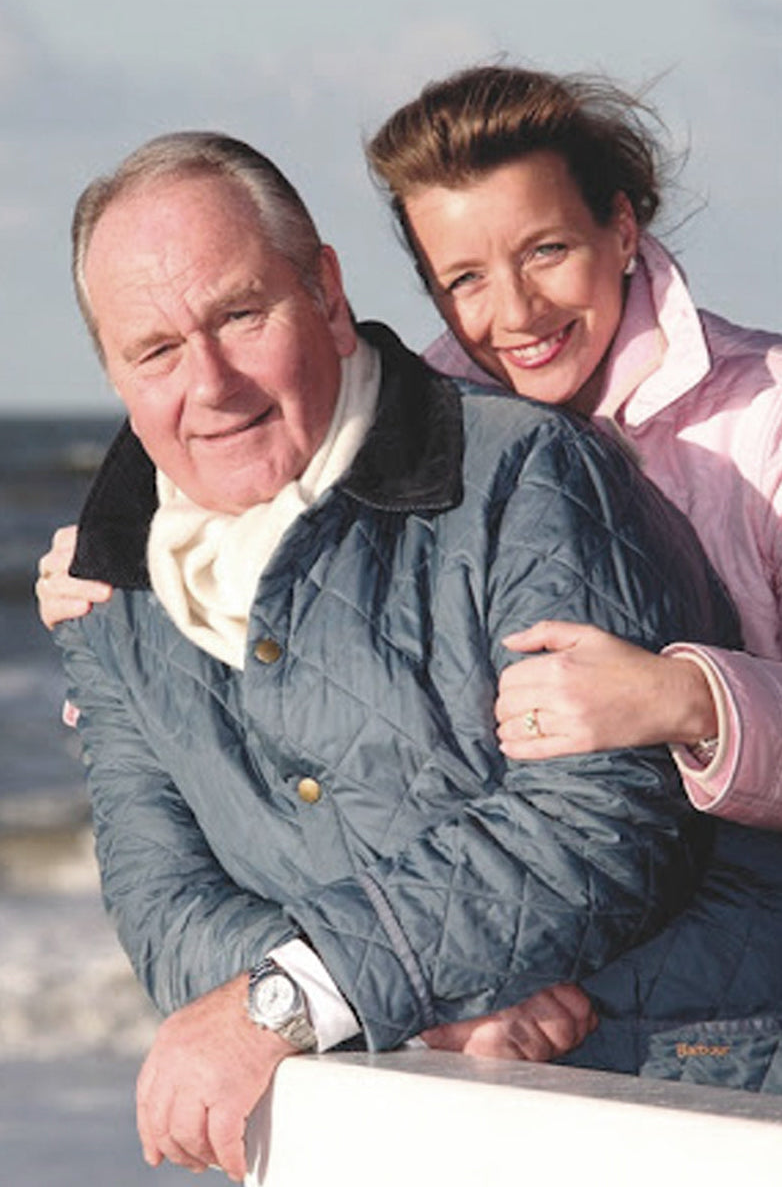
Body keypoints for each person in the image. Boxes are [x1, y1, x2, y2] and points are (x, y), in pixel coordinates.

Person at [43, 128, 748, 1181]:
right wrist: (382, 1006)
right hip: (376, 1125)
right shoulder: (109, 594)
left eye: (240, 315)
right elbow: (159, 899)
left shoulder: (526, 473)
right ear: (114, 372)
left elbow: (604, 822)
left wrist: (300, 997)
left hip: (674, 1101)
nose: (212, 382)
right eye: (155, 351)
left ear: (326, 295)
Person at [366, 63, 782, 830]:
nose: (517, 312)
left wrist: (691, 700)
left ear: (621, 230)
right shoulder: (407, 446)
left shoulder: (767, 416)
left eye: (546, 250)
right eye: (466, 279)